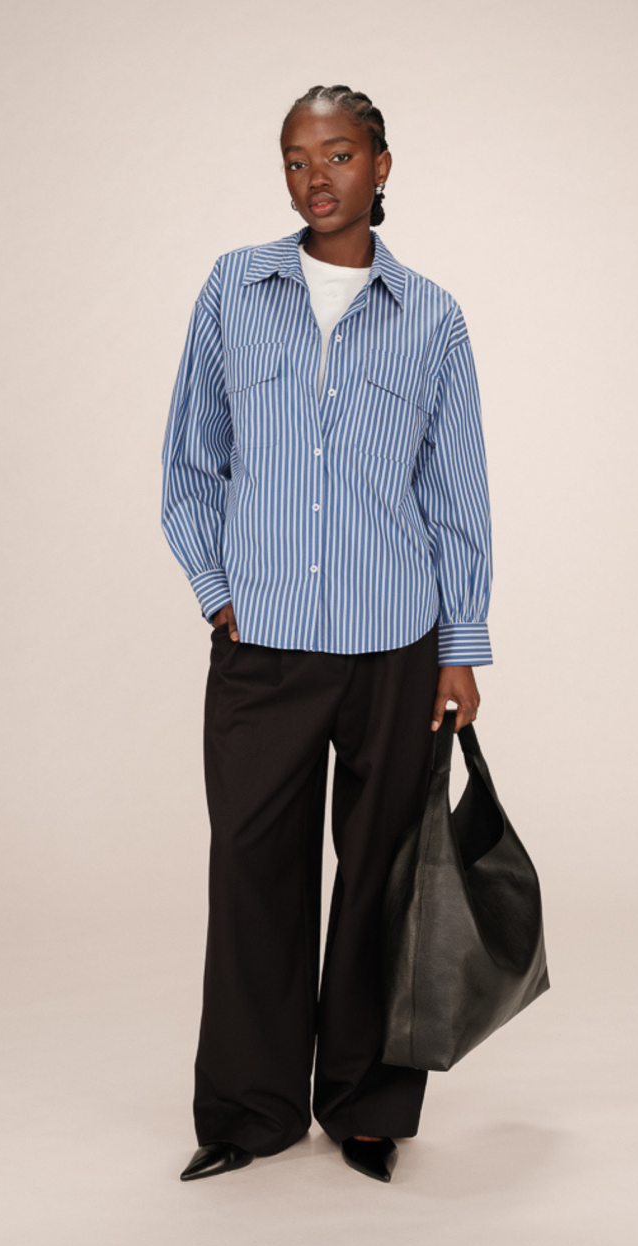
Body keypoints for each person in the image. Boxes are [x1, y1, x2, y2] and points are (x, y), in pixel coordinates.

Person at [160, 84, 493, 1184]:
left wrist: (461, 644)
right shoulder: (233, 288)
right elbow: (189, 461)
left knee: (381, 878)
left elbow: (455, 492)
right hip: (264, 645)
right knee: (252, 870)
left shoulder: (432, 317)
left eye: (339, 154)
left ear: (381, 165)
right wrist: (220, 592)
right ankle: (248, 1111)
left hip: (396, 642)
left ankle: (365, 1105)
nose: (317, 177)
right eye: (298, 158)